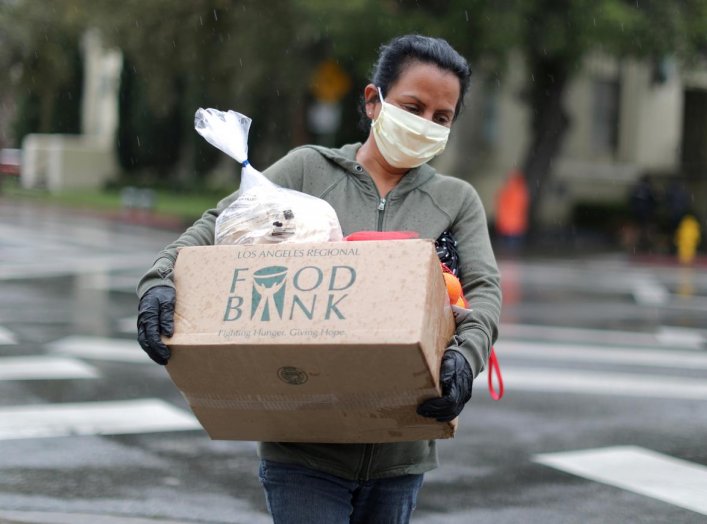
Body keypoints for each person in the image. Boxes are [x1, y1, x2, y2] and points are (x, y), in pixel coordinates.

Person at [137, 34, 501, 524]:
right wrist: (160, 280)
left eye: (442, 118)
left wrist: (464, 357)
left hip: (402, 449)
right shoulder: (309, 170)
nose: (425, 126)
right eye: (412, 107)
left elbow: (483, 291)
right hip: (302, 447)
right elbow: (219, 226)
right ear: (373, 101)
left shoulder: (456, 200)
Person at [494, 168, 529, 252]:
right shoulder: (521, 191)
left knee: (509, 248)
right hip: (513, 225)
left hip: (511, 226)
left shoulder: (509, 191)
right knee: (511, 248)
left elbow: (503, 208)